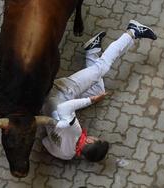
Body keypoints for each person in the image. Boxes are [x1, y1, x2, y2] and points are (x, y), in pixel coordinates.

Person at [41, 20, 157, 161]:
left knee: (101, 69)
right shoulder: (66, 155)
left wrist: (91, 100)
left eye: (96, 138)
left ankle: (132, 32)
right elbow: (45, 142)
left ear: (90, 141)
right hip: (46, 106)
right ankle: (92, 50)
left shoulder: (74, 129)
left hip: (61, 91)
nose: (93, 136)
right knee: (98, 89)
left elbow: (64, 108)